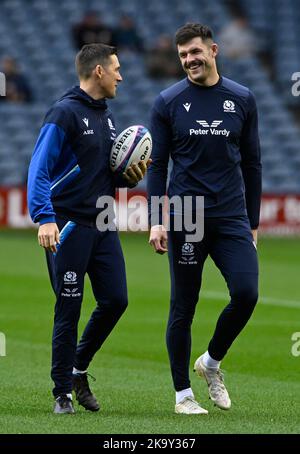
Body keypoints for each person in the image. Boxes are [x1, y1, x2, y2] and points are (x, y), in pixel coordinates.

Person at [27, 43, 148, 414]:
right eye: (116, 69)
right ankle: (61, 392)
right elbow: (38, 168)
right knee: (69, 307)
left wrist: (128, 177)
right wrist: (44, 217)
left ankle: (78, 369)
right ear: (98, 72)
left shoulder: (107, 116)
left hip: (103, 223)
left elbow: (101, 172)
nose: (121, 76)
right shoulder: (63, 113)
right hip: (69, 227)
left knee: (116, 300)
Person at [148, 23, 261, 414]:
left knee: (247, 293)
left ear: (213, 50)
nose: (189, 60)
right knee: (184, 306)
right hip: (187, 217)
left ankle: (211, 362)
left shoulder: (242, 98)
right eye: (182, 56)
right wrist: (156, 219)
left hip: (231, 216)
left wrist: (254, 222)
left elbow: (253, 163)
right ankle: (183, 395)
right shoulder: (167, 102)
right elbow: (157, 165)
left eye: (195, 52)